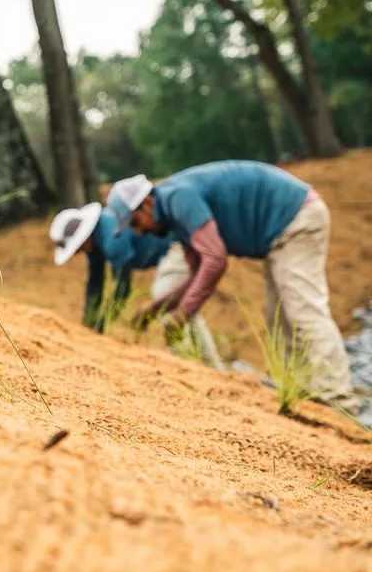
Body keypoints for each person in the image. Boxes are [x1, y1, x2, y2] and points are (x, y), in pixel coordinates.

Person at [106, 161, 362, 415]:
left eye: (135, 223)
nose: (138, 233)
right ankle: (310, 392)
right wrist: (156, 309)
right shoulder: (175, 215)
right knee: (280, 318)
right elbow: (196, 273)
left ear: (147, 204)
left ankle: (338, 400)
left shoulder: (178, 197)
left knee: (303, 311)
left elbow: (215, 260)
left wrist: (181, 316)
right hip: (281, 232)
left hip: (297, 219)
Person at [50, 202, 224, 369]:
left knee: (166, 303)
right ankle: (210, 364)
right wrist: (87, 326)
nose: (79, 252)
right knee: (182, 307)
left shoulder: (112, 238)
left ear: (84, 237)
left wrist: (100, 327)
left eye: (78, 248)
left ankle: (192, 364)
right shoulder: (95, 240)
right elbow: (95, 285)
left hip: (177, 246)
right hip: (171, 250)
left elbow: (122, 288)